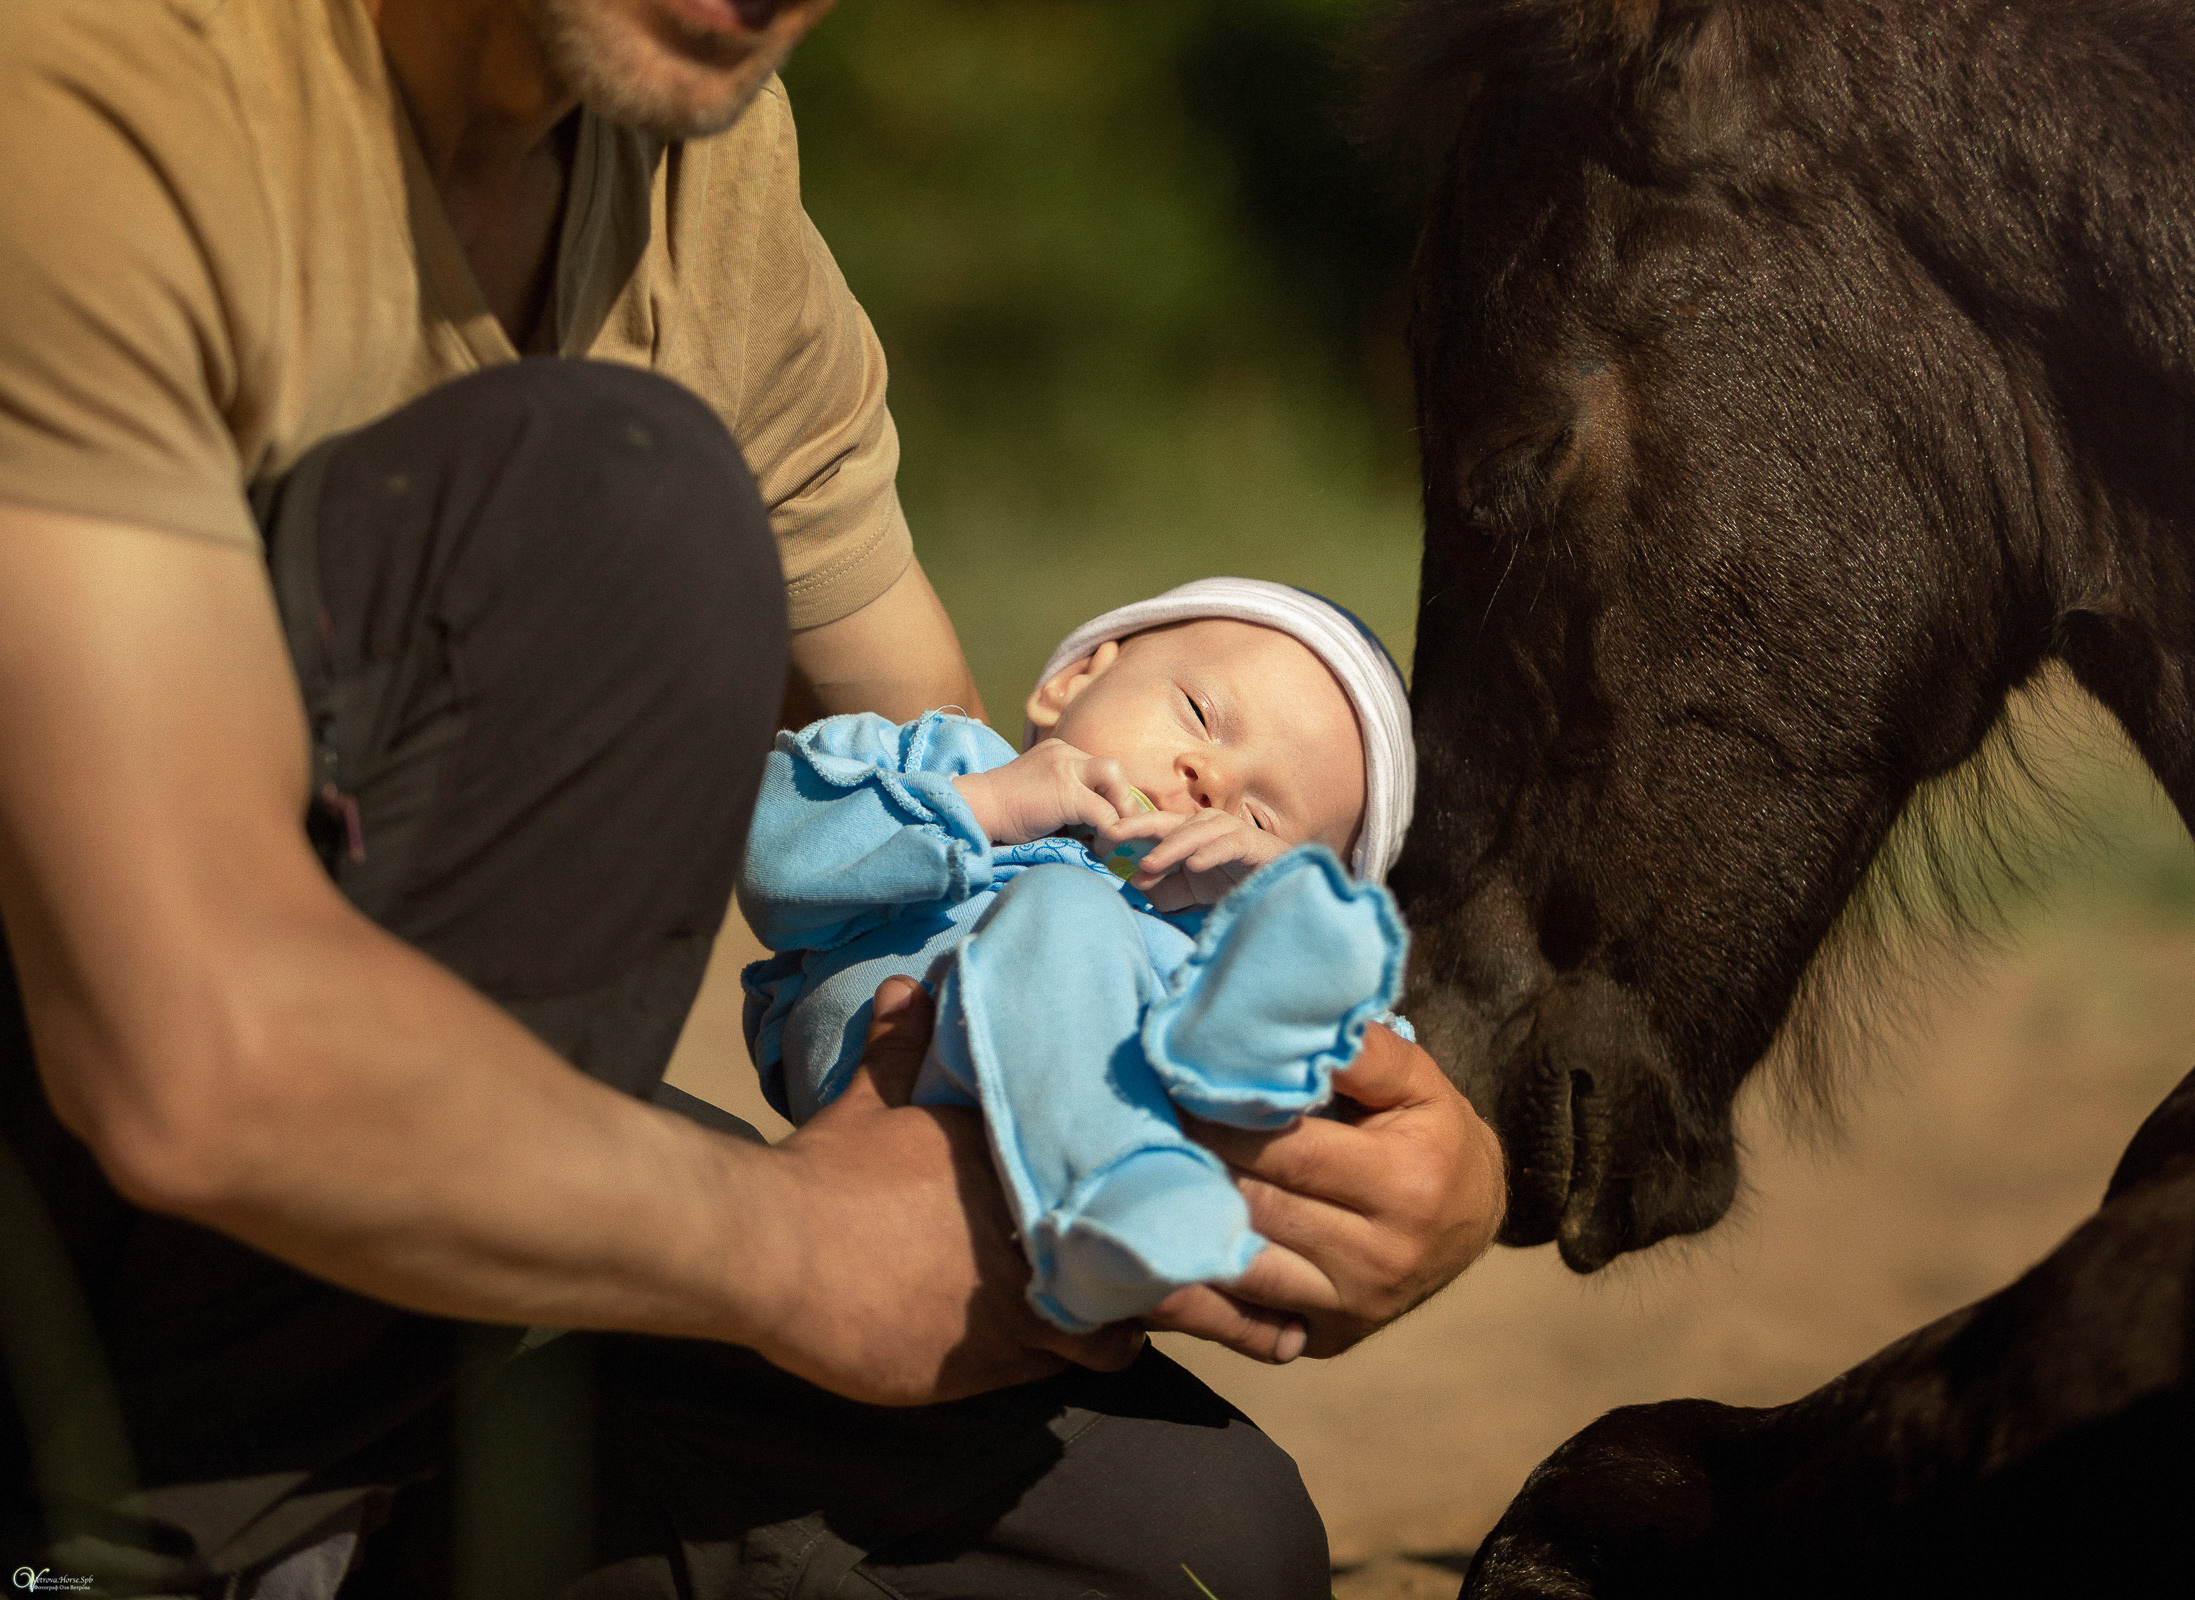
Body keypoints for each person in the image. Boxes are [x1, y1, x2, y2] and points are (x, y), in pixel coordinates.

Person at [0, 0, 1507, 1592]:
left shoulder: (689, 162)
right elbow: (178, 1054)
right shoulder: (103, 77)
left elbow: (944, 818)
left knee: (1180, 1551)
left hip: (343, 1285)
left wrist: (1377, 1162)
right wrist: (790, 1254)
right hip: (94, 1161)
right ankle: (137, 1557)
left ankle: (335, 1519)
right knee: (625, 508)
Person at [743, 580, 1414, 1335]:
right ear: (1075, 681)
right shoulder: (937, 760)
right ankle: (1110, 1196)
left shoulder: (1195, 950)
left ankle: (1114, 1216)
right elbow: (767, 857)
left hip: (1013, 1214)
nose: (1213, 782)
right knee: (1066, 901)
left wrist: (1275, 929)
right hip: (886, 1093)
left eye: (1260, 819)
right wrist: (984, 804)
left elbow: (1355, 1104)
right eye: (1199, 714)